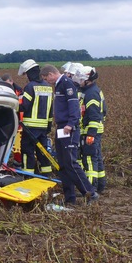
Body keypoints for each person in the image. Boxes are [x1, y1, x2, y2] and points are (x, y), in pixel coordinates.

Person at [41, 64, 98, 206]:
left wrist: (70, 124)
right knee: (63, 165)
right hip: (61, 128)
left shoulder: (67, 84)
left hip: (68, 129)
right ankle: (70, 198)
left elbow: (74, 106)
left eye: (46, 78)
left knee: (71, 163)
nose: (46, 81)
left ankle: (90, 192)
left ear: (51, 74)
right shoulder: (59, 85)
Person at [17, 59, 54, 175]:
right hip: (43, 128)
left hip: (30, 128)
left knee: (27, 152)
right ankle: (47, 176)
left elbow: (24, 106)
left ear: (29, 73)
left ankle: (27, 176)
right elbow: (51, 109)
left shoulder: (30, 87)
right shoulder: (48, 87)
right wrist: (48, 125)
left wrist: (13, 106)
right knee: (43, 152)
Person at [75, 66, 107, 193]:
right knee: (96, 158)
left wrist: (91, 134)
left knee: (89, 160)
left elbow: (94, 115)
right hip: (91, 131)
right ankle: (100, 186)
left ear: (87, 79)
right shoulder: (88, 91)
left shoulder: (91, 93)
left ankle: (90, 189)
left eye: (81, 78)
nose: (79, 81)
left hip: (91, 131)